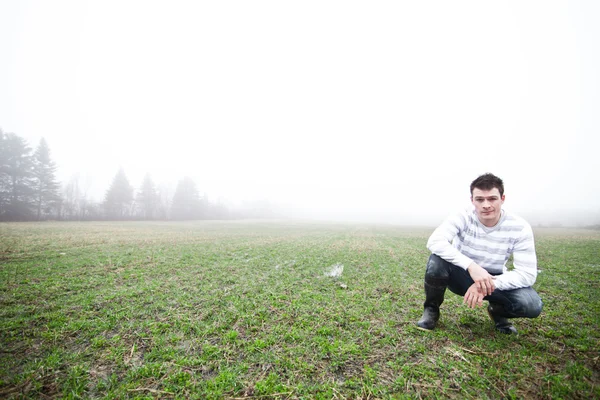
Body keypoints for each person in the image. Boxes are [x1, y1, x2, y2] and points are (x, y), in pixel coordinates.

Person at [417, 173, 543, 334]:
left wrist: (486, 284)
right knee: (437, 260)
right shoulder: (463, 215)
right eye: (480, 199)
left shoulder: (520, 227)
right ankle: (431, 310)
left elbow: (527, 274)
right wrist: (471, 266)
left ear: (502, 198)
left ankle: (497, 311)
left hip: (495, 280)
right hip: (461, 275)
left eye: (492, 199)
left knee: (532, 305)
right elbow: (435, 241)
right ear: (472, 200)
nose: (486, 205)